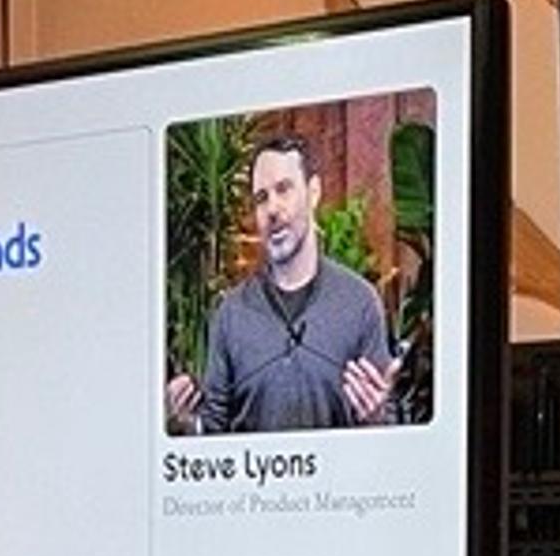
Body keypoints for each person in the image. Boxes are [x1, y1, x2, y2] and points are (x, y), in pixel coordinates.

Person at [166, 131, 399, 435]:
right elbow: (213, 431)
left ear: (313, 192)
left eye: (283, 189)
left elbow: (389, 430)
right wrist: (184, 423)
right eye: (261, 198)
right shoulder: (231, 314)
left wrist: (377, 415)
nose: (272, 209)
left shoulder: (359, 303)